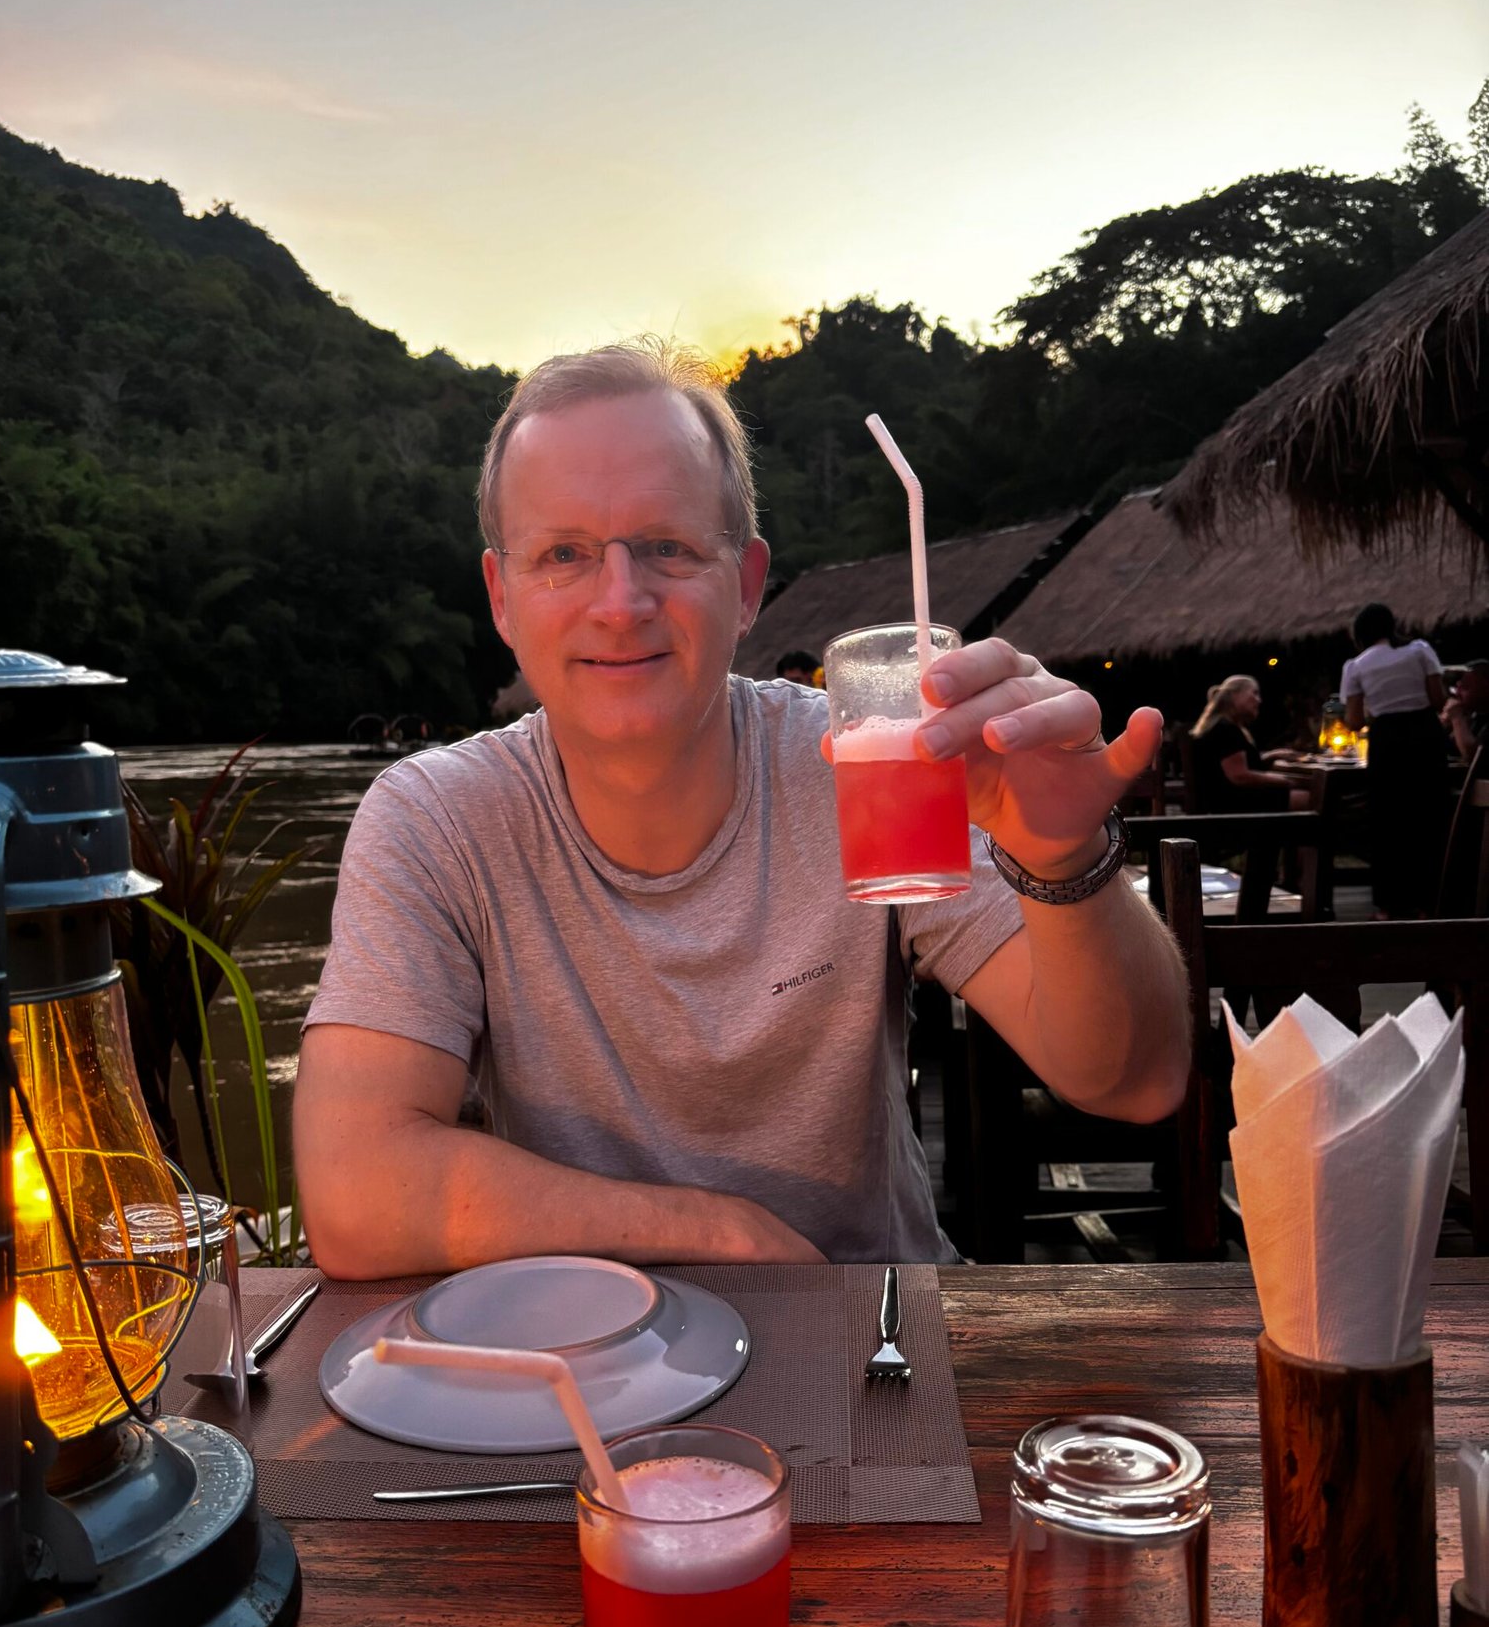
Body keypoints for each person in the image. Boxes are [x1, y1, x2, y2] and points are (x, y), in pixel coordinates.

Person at [294, 342, 1190, 1278]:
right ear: (503, 599)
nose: (621, 600)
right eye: (564, 555)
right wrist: (720, 1234)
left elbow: (1135, 1082)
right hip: (584, 1368)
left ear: (749, 583)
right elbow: (355, 1190)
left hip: (870, 1341)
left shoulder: (864, 761)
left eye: (668, 548)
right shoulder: (438, 818)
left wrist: (1061, 861)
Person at [1340, 602, 1449, 917]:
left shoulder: (1356, 666)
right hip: (1425, 736)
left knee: (1389, 820)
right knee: (1429, 815)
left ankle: (1389, 904)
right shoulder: (1419, 650)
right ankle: (1431, 899)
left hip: (1387, 741)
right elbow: (1438, 698)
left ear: (1360, 634)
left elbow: (1355, 720)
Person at [1188, 676, 1309, 814]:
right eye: (1254, 693)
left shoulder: (1222, 726)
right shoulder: (1226, 729)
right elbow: (1240, 775)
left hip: (1225, 799)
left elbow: (1233, 764)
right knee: (1311, 797)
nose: (1259, 700)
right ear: (1234, 695)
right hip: (1232, 804)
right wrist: (1286, 781)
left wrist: (1271, 756)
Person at [1442, 660, 1489, 763]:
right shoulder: (1473, 716)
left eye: (1465, 686)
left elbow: (1475, 758)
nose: (1457, 692)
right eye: (1457, 687)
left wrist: (1457, 718)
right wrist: (1445, 725)